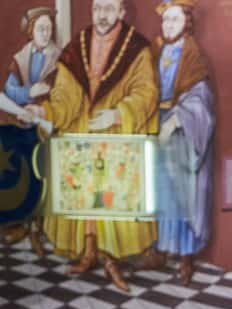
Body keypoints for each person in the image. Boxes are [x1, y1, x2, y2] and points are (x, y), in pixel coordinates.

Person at [25, 0, 159, 292]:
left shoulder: (137, 48)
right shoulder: (79, 44)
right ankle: (88, 252)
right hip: (82, 132)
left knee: (112, 198)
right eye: (97, 8)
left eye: (108, 9)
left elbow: (147, 92)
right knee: (83, 194)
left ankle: (111, 260)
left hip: (115, 134)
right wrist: (44, 111)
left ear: (121, 12)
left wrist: (118, 114)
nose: (102, 15)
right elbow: (65, 94)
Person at [139, 0, 216, 286]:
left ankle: (185, 258)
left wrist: (174, 122)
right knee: (156, 192)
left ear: (186, 23)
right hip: (153, 126)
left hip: (181, 134)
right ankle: (159, 251)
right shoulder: (155, 50)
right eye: (165, 20)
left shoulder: (192, 54)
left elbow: (201, 98)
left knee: (182, 195)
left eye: (175, 19)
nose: (168, 25)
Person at [1, 6, 60, 256]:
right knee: (17, 166)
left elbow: (61, 93)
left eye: (49, 28)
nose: (45, 33)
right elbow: (9, 90)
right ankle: (20, 223)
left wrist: (41, 106)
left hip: (47, 124)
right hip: (23, 123)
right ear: (31, 32)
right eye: (41, 28)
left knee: (44, 174)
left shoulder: (60, 58)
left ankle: (38, 228)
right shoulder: (21, 57)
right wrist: (29, 93)